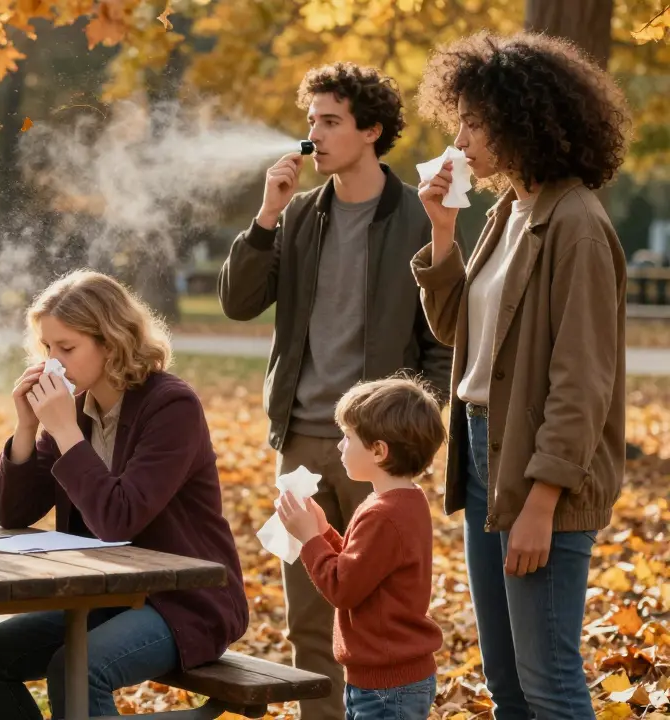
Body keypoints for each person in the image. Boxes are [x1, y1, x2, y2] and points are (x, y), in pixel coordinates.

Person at [217, 61, 452, 719]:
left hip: (379, 450)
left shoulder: (414, 218)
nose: (313, 136)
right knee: (310, 623)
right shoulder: (295, 218)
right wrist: (265, 216)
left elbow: (442, 345)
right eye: (310, 121)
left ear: (371, 130)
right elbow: (238, 302)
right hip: (301, 444)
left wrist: (408, 435)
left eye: (330, 122)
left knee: (382, 616)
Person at [413, 32, 628, 719]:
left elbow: (583, 381)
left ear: (525, 120)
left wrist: (543, 503)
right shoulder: (507, 212)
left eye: (476, 122)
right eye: (460, 121)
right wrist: (442, 232)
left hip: (541, 471)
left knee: (549, 683)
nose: (462, 138)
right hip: (484, 454)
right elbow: (457, 333)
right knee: (507, 685)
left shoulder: (577, 223)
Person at [0, 270, 248, 719]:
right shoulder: (73, 410)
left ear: (110, 342)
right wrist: (27, 426)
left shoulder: (171, 406)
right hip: (104, 596)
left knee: (76, 669)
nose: (52, 362)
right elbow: (13, 511)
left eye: (66, 348)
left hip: (184, 601)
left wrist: (64, 432)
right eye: (47, 348)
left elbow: (119, 519)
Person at [277, 377, 446, 720]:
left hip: (387, 687)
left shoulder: (384, 514)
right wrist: (325, 532)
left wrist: (310, 541)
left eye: (347, 437)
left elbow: (344, 588)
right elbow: (365, 568)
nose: (339, 446)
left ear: (379, 451)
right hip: (386, 679)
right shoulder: (402, 501)